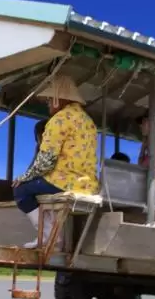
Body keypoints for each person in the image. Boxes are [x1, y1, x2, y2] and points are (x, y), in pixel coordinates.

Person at [12, 75, 98, 249]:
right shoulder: (89, 122)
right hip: (88, 185)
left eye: (50, 99)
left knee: (21, 190)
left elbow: (46, 161)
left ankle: (48, 235)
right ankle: (52, 232)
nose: (49, 104)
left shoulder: (58, 120)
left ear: (59, 98)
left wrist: (24, 177)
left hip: (63, 182)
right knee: (37, 186)